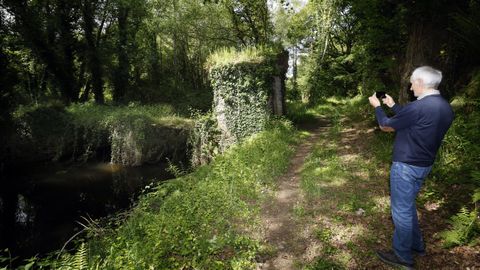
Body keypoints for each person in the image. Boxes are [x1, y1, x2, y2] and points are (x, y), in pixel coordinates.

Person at [368, 66, 454, 269]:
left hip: (406, 166)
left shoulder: (419, 107)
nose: (411, 85)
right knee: (408, 206)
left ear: (421, 83)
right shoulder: (444, 107)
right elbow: (416, 121)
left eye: (413, 82)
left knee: (401, 211)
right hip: (424, 165)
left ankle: (402, 256)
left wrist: (377, 107)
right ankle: (417, 245)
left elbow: (387, 126)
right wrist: (393, 105)